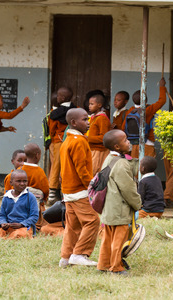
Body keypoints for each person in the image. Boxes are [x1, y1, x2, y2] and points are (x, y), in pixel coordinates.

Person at [59, 108, 100, 268]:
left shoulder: (67, 141)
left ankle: (66, 257)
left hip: (68, 191)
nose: (88, 123)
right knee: (92, 221)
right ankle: (79, 253)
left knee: (73, 226)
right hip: (79, 191)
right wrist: (91, 187)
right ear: (73, 122)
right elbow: (81, 169)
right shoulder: (79, 141)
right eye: (84, 120)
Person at [97, 130, 141, 275]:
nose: (129, 142)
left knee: (107, 238)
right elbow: (128, 188)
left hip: (108, 208)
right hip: (119, 208)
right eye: (125, 140)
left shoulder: (108, 159)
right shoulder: (121, 164)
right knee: (119, 240)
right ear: (117, 146)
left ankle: (103, 264)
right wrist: (137, 204)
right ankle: (116, 267)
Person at [0, 169, 39, 239]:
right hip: (9, 226)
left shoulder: (30, 197)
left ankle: (10, 237)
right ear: (11, 182)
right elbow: (2, 215)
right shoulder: (6, 197)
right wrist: (3, 223)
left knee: (20, 235)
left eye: (25, 181)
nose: (22, 183)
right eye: (19, 181)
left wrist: (21, 224)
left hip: (24, 227)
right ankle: (7, 237)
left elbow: (34, 216)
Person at [122, 78, 167, 158]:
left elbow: (123, 128)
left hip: (133, 144)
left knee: (135, 168)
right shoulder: (148, 110)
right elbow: (162, 101)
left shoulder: (130, 111)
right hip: (147, 143)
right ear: (145, 100)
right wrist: (162, 86)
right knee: (147, 168)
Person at [19, 143, 56, 234]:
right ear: (37, 155)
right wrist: (44, 199)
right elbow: (45, 189)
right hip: (36, 206)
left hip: (19, 206)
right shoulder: (40, 172)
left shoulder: (20, 170)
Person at [48, 87, 76, 204]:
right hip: (71, 139)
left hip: (58, 141)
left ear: (62, 98)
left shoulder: (55, 113)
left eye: (59, 95)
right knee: (68, 165)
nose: (57, 97)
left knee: (55, 166)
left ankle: (52, 192)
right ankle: (63, 191)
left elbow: (52, 127)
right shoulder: (75, 109)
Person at [88, 94, 111, 176]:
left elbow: (103, 137)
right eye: (89, 104)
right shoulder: (93, 117)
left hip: (99, 150)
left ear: (99, 105)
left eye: (92, 104)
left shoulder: (102, 118)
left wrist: (87, 139)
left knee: (95, 172)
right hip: (92, 149)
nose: (89, 106)